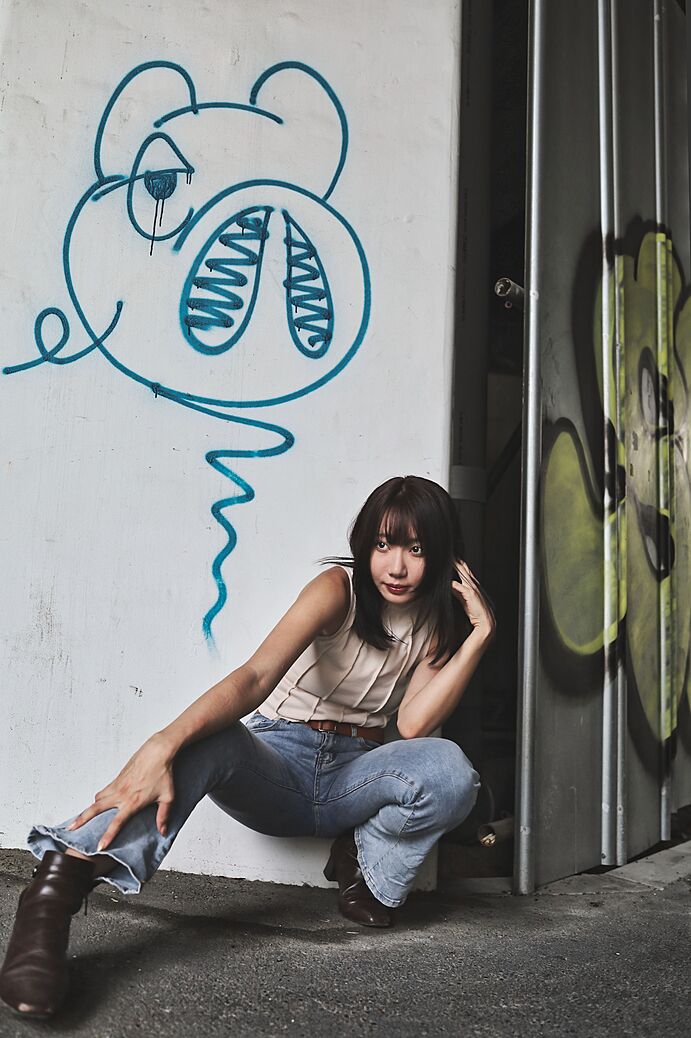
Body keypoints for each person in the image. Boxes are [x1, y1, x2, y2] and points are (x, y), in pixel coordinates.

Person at [0, 475, 495, 1019]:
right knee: (208, 737)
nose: (396, 567)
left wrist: (478, 634)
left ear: (444, 556)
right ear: (365, 546)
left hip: (356, 776)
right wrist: (162, 743)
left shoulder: (435, 623)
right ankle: (53, 894)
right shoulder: (338, 589)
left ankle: (365, 865)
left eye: (416, 549)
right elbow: (257, 675)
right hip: (280, 763)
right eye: (383, 544)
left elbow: (415, 723)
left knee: (451, 771)